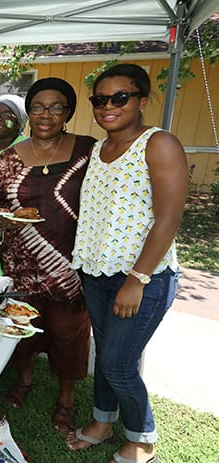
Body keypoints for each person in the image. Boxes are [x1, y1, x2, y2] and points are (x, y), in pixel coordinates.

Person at [66, 64, 187, 463]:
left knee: (118, 364)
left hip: (142, 278)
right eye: (100, 100)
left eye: (121, 97)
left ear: (142, 100)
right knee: (106, 353)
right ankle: (102, 422)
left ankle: (142, 438)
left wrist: (136, 279)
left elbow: (168, 218)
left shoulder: (159, 143)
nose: (108, 106)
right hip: (97, 273)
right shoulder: (99, 151)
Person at [0, 77, 97, 433]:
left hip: (69, 264)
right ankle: (25, 379)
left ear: (68, 112)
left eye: (56, 107)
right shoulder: (9, 158)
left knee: (69, 332)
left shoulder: (88, 151)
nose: (46, 114)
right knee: (23, 326)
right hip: (21, 262)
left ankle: (66, 396)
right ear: (28, 112)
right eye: (37, 107)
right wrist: (2, 217)